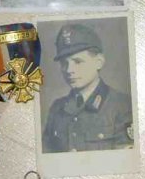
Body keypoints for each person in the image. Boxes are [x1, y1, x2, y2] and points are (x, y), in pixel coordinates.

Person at [42, 23, 133, 153]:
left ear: (99, 62)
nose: (69, 70)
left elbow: (125, 161)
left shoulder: (123, 106)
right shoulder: (57, 109)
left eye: (78, 61)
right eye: (64, 63)